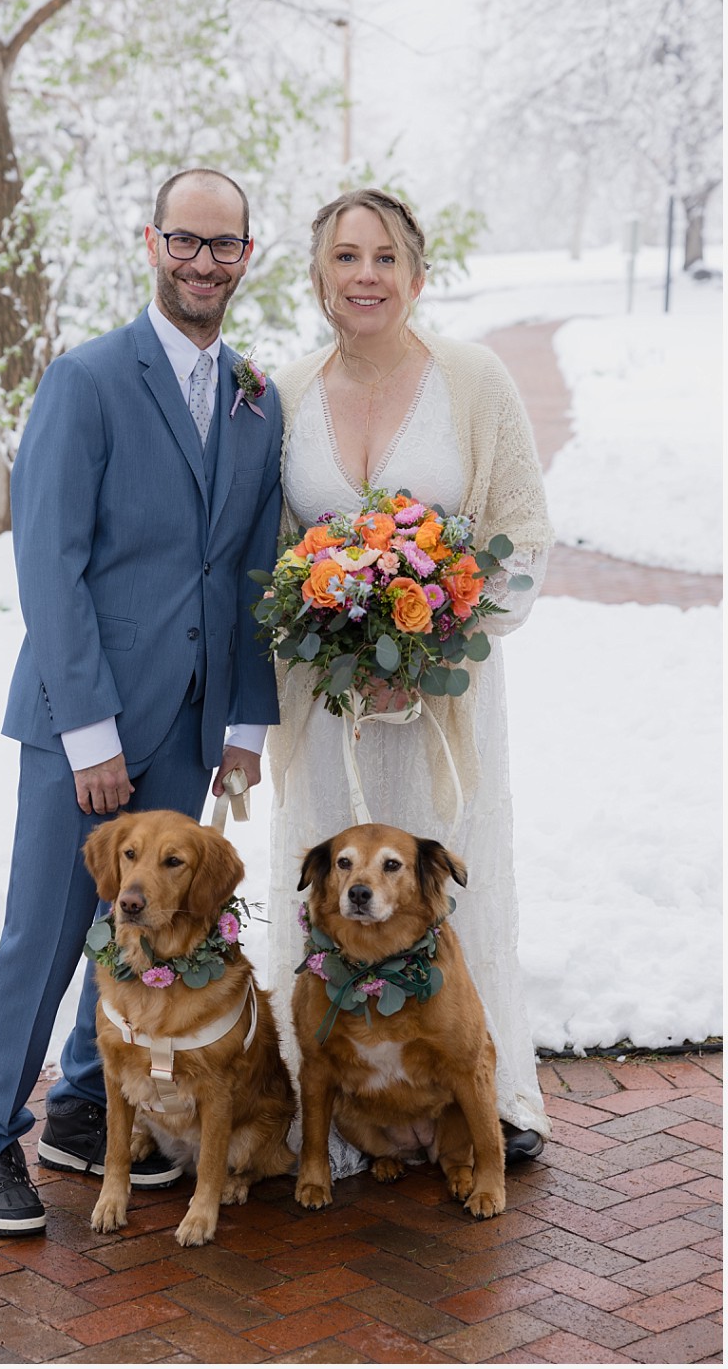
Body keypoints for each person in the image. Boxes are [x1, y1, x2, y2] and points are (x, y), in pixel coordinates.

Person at [0, 168, 283, 1237]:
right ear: (151, 242)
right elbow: (50, 565)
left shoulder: (256, 399)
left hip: (191, 723)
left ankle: (86, 1110)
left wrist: (244, 720)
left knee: (150, 935)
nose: (203, 262)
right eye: (186, 240)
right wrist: (86, 730)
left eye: (223, 246)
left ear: (245, 257)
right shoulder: (85, 380)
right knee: (46, 936)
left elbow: (252, 568)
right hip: (81, 720)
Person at [266, 188, 553, 1172]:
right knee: (332, 886)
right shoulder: (289, 391)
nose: (366, 276)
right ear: (319, 276)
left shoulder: (473, 381)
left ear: (417, 274)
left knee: (453, 881)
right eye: (346, 257)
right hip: (327, 710)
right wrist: (322, 644)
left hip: (444, 708)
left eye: (385, 257)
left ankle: (486, 1090)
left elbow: (521, 531)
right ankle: (333, 1107)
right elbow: (272, 559)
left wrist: (430, 652)